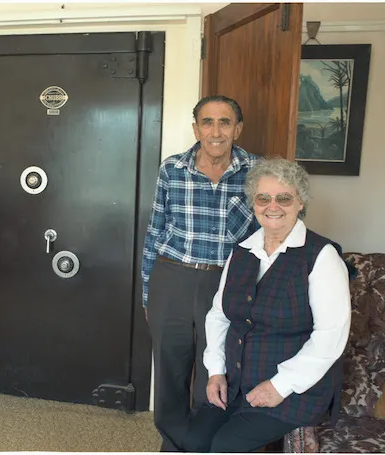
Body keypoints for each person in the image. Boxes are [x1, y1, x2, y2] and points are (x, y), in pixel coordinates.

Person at [181, 158, 351, 453]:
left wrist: (280, 385)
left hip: (293, 390)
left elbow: (331, 335)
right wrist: (216, 371)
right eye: (263, 198)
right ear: (254, 203)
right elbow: (219, 315)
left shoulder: (322, 257)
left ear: (300, 202)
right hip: (235, 383)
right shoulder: (242, 251)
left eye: (284, 197)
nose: (273, 206)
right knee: (192, 440)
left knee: (226, 444)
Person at [141, 95, 261, 451]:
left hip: (225, 281)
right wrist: (148, 294)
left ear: (237, 129)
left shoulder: (258, 171)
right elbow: (155, 231)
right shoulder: (172, 168)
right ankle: (173, 442)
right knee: (170, 365)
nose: (216, 131)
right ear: (196, 128)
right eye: (207, 122)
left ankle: (200, 441)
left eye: (225, 122)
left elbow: (272, 229)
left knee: (216, 368)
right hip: (172, 276)